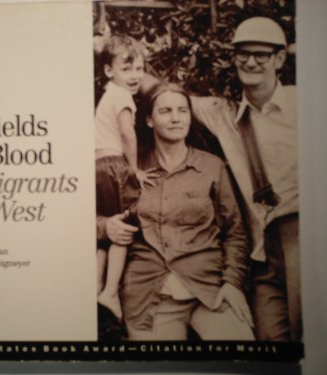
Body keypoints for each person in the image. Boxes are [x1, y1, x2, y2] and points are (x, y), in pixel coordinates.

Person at [186, 17, 301, 342]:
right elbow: (167, 96)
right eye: (243, 53)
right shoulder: (223, 112)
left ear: (279, 59)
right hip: (261, 257)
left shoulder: (304, 105)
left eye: (261, 54)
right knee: (269, 343)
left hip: (301, 242)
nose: (250, 61)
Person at [117, 82, 255, 341]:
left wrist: (233, 283)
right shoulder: (131, 169)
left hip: (210, 287)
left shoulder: (212, 167)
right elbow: (96, 219)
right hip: (150, 296)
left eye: (183, 111)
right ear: (149, 119)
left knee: (244, 358)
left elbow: (236, 232)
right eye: (166, 111)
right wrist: (106, 226)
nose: (176, 118)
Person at [94, 35, 155, 321]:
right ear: (109, 71)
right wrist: (134, 169)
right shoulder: (122, 97)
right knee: (127, 222)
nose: (135, 76)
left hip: (98, 165)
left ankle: (96, 287)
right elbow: (128, 135)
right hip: (115, 165)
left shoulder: (108, 93)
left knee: (109, 227)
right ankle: (110, 292)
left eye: (140, 69)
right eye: (127, 69)